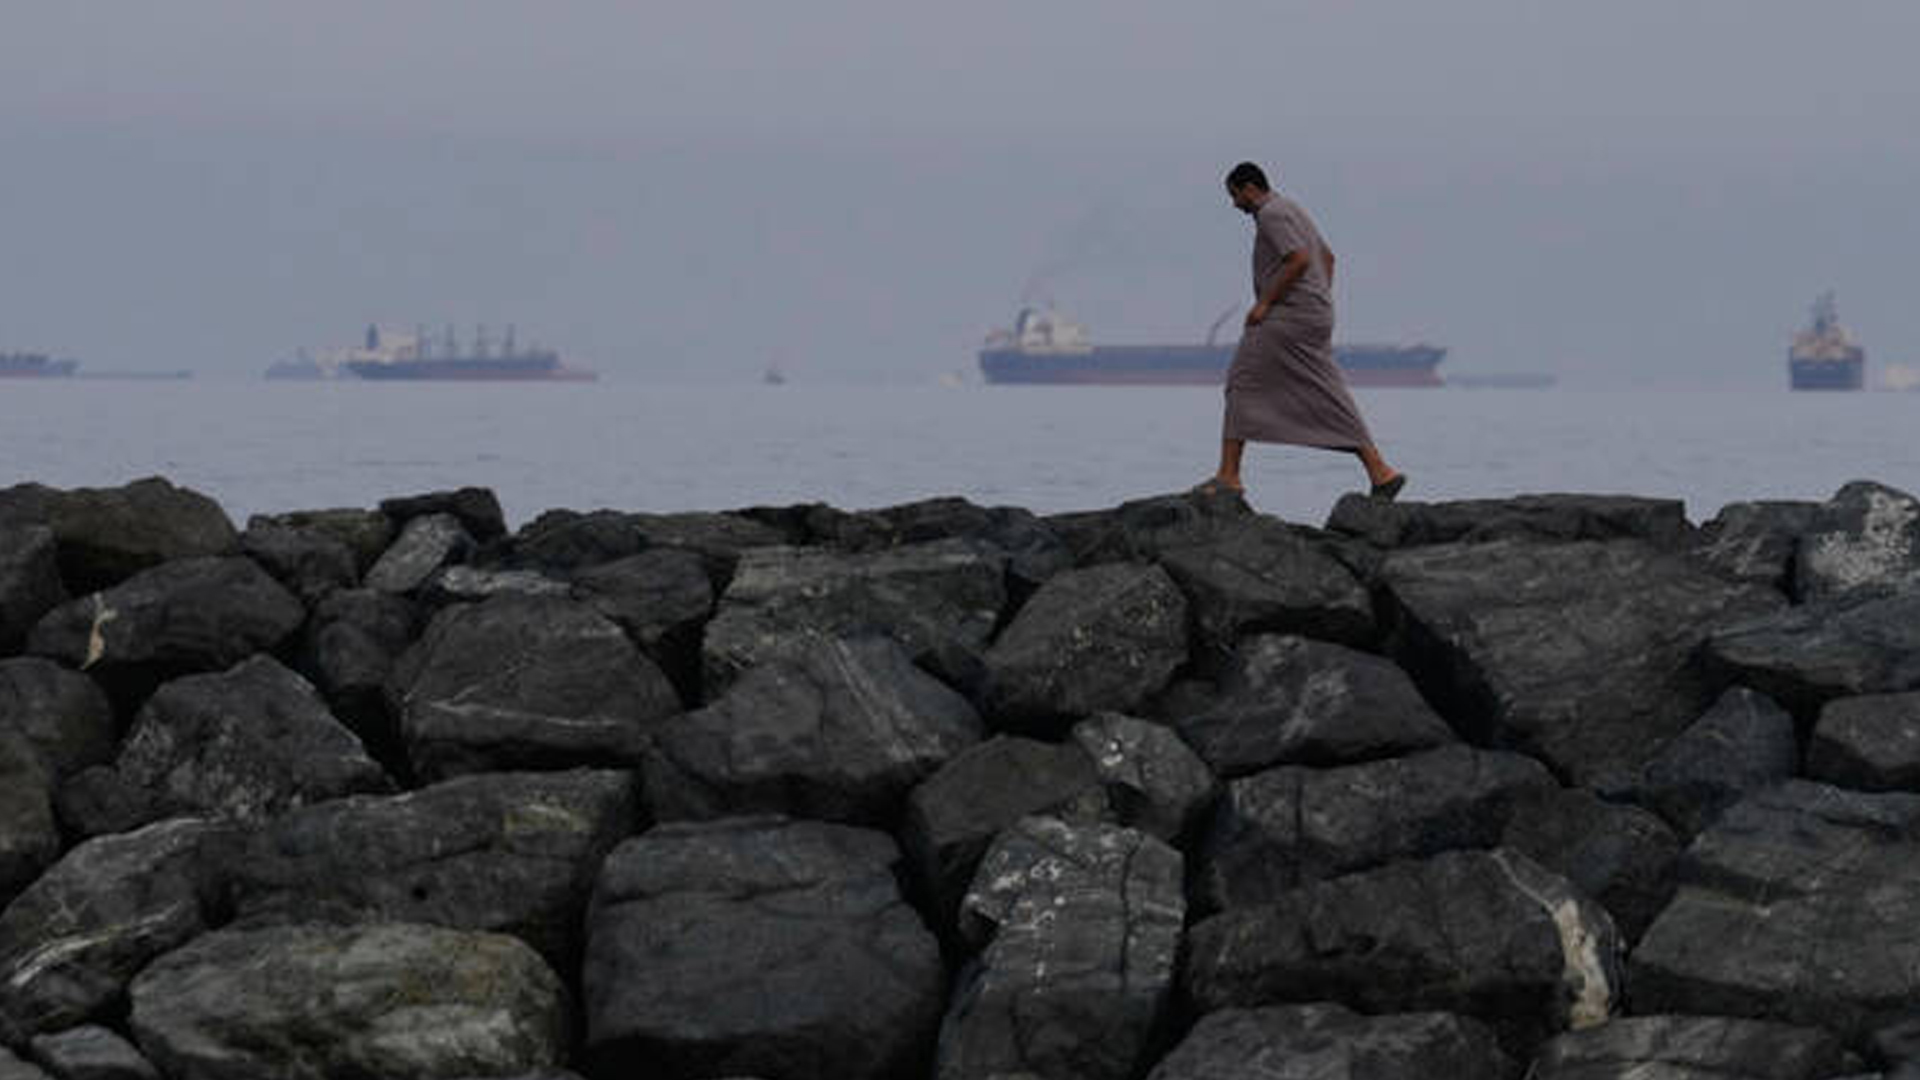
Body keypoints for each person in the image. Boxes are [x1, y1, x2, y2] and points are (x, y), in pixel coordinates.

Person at [1200, 161, 1406, 501]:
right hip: (1314, 314)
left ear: (1249, 188)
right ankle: (1381, 472)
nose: (1234, 204)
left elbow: (1298, 259)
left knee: (1242, 380)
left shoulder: (1271, 214)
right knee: (1326, 390)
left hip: (1287, 316)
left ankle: (1229, 476)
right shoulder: (1292, 207)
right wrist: (1319, 299)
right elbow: (1328, 258)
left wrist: (1265, 303)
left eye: (1234, 196)